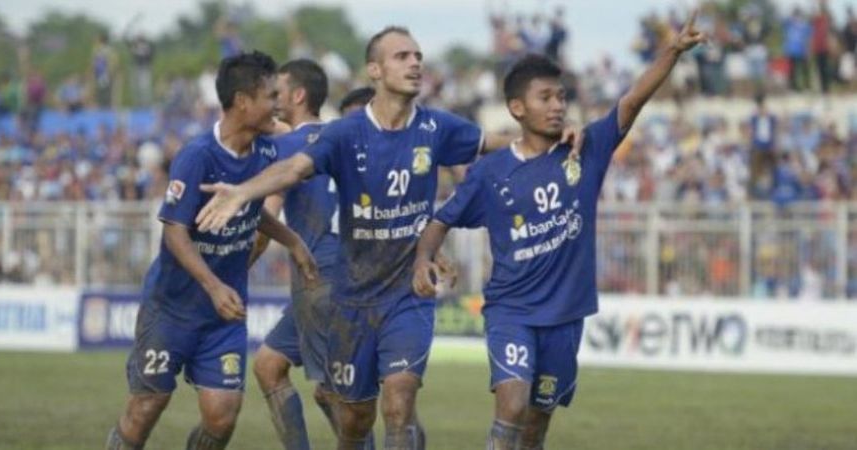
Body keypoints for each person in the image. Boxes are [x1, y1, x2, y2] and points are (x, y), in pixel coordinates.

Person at [194, 27, 580, 450]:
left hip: (408, 293)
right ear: (374, 70)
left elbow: (500, 145)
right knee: (356, 419)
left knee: (399, 401)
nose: (415, 62)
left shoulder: (437, 126)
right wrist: (244, 192)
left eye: (417, 55)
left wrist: (554, 141)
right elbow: (294, 169)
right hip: (352, 298)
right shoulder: (344, 134)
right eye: (402, 56)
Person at [412, 13, 705, 450]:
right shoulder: (490, 172)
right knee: (511, 404)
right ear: (517, 108)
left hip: (566, 317)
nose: (557, 105)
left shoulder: (584, 150)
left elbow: (631, 102)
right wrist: (424, 258)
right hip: (510, 311)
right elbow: (441, 219)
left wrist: (673, 52)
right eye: (545, 97)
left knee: (535, 426)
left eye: (561, 97)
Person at [105, 51, 318, 450]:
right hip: (172, 308)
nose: (278, 103)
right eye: (271, 95)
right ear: (243, 101)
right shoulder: (197, 156)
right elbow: (175, 232)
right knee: (145, 408)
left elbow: (253, 209)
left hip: (224, 318)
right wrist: (213, 286)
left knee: (222, 416)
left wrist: (292, 240)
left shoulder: (267, 153)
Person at [250, 60, 374, 449]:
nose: (273, 98)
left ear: (298, 96)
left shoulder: (286, 147)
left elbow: (264, 217)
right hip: (348, 275)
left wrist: (237, 270)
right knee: (269, 365)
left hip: (321, 278)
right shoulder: (342, 138)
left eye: (278, 91)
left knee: (337, 392)